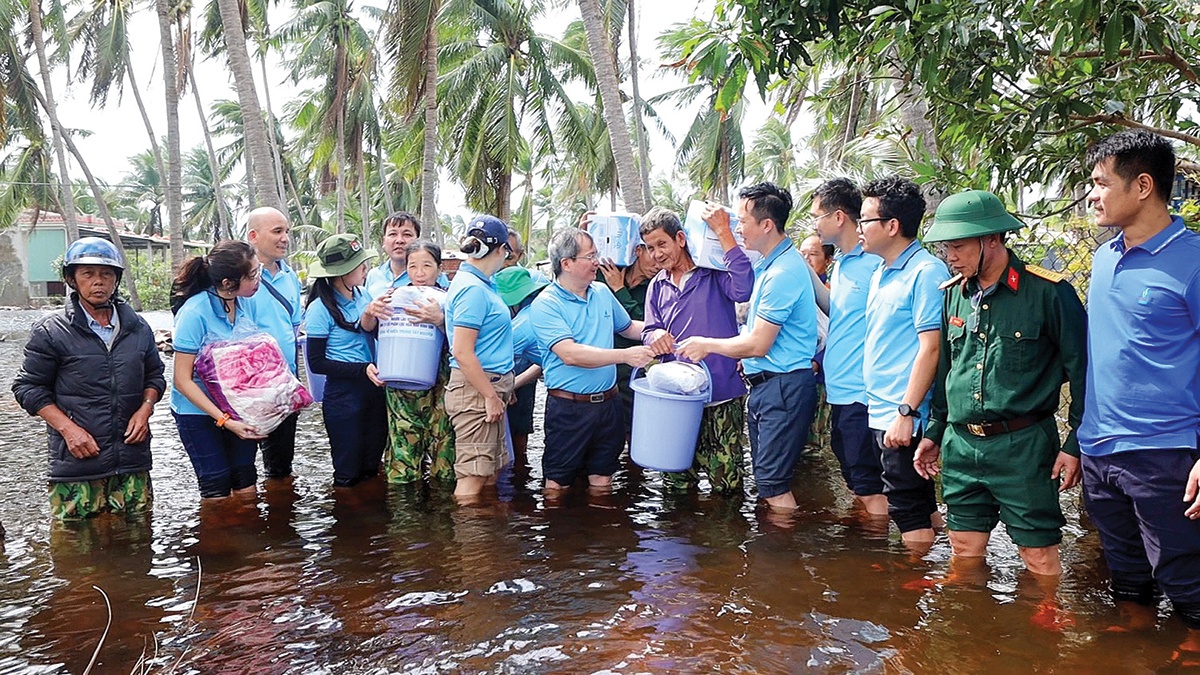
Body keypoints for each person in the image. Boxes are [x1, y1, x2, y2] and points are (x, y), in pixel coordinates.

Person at [912, 190, 1086, 576]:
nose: (950, 256)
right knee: (962, 548)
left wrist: (1075, 445)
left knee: (1038, 553)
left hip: (1023, 446)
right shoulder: (953, 295)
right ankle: (970, 613)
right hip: (961, 445)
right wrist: (935, 432)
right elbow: (948, 370)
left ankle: (1046, 613)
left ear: (992, 239)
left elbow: (1084, 373)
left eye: (958, 246)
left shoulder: (1048, 293)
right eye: (945, 247)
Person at [1076, 130, 1200, 644]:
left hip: (1165, 454)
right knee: (1126, 579)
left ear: (1143, 185)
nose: (1092, 195)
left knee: (1187, 581)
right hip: (1099, 451)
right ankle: (1132, 654)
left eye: (1101, 183)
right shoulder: (1105, 257)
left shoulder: (1193, 260)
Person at [677, 183, 819, 511]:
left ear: (766, 225)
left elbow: (758, 343)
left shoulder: (782, 273)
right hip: (770, 386)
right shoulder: (769, 265)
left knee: (772, 486)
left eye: (741, 222)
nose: (738, 229)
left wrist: (706, 344)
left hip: (783, 387)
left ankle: (781, 542)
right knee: (768, 481)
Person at [13, 237, 165, 519]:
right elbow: (28, 388)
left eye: (106, 274)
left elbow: (155, 375)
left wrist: (145, 410)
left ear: (116, 279)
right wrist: (69, 430)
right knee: (75, 541)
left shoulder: (137, 327)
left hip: (132, 459)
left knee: (137, 536)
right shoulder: (52, 330)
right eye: (88, 273)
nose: (98, 282)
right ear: (72, 279)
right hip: (77, 463)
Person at [858, 175, 950, 547]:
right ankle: (945, 565)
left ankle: (915, 577)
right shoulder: (881, 271)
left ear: (892, 225)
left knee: (905, 505)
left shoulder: (926, 272)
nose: (859, 227)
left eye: (865, 220)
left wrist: (907, 411)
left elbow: (932, 348)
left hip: (904, 412)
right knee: (919, 501)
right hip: (882, 406)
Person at [640, 206, 754, 496]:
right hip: (676, 400)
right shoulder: (657, 286)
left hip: (721, 393)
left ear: (680, 238)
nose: (656, 254)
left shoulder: (713, 274)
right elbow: (648, 330)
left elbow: (743, 289)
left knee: (727, 483)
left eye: (661, 244)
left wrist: (724, 233)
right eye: (650, 248)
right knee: (676, 481)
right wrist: (655, 335)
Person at [529, 227, 653, 494]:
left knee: (603, 479)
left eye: (596, 254)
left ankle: (599, 521)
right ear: (566, 263)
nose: (597, 262)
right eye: (590, 256)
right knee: (557, 485)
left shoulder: (602, 292)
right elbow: (570, 354)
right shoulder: (546, 304)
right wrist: (625, 355)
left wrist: (659, 332)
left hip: (609, 404)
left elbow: (628, 328)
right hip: (569, 408)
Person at [811, 179, 888, 517]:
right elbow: (838, 312)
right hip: (840, 391)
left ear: (839, 217)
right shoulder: (842, 263)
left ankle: (879, 548)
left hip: (862, 394)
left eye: (817, 216)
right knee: (858, 482)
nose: (814, 224)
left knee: (870, 486)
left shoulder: (875, 264)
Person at [168, 241, 266, 500]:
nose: (258, 279)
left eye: (258, 271)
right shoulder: (194, 313)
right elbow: (182, 380)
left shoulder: (246, 303)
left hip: (237, 404)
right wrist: (225, 421)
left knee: (246, 480)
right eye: (252, 275)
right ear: (227, 283)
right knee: (216, 485)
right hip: (197, 411)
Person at [365, 239, 456, 485]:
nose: (420, 273)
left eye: (427, 265)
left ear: (439, 268)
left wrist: (440, 320)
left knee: (444, 445)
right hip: (401, 383)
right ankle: (403, 504)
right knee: (403, 448)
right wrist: (370, 312)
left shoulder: (450, 300)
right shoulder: (394, 297)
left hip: (441, 383)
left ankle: (442, 502)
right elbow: (370, 329)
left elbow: (465, 342)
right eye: (413, 266)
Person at [443, 215, 517, 498]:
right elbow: (462, 351)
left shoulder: (482, 283)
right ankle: (466, 528)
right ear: (501, 250)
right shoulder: (472, 289)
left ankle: (485, 527)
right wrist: (489, 396)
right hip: (477, 391)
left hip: (488, 387)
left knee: (488, 473)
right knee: (473, 477)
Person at [305, 233, 387, 488]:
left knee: (372, 465)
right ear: (340, 273)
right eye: (358, 264)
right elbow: (317, 362)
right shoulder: (319, 308)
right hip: (344, 395)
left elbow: (375, 333)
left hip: (373, 388)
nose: (365, 268)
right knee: (347, 471)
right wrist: (361, 369)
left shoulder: (363, 295)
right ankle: (346, 511)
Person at [245, 207, 304, 482]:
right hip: (246, 388)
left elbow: (293, 329)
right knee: (242, 471)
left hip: (284, 386)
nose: (285, 238)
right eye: (277, 231)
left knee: (280, 468)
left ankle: (279, 507)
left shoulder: (290, 277)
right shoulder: (238, 278)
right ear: (253, 236)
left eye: (287, 232)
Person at [495, 264, 550, 468]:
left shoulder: (521, 326)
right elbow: (546, 362)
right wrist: (512, 385)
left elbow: (491, 362)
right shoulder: (541, 309)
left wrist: (506, 386)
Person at [365, 211, 448, 298]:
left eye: (407, 234)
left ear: (417, 240)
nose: (399, 240)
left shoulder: (435, 277)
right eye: (392, 234)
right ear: (383, 241)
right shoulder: (373, 275)